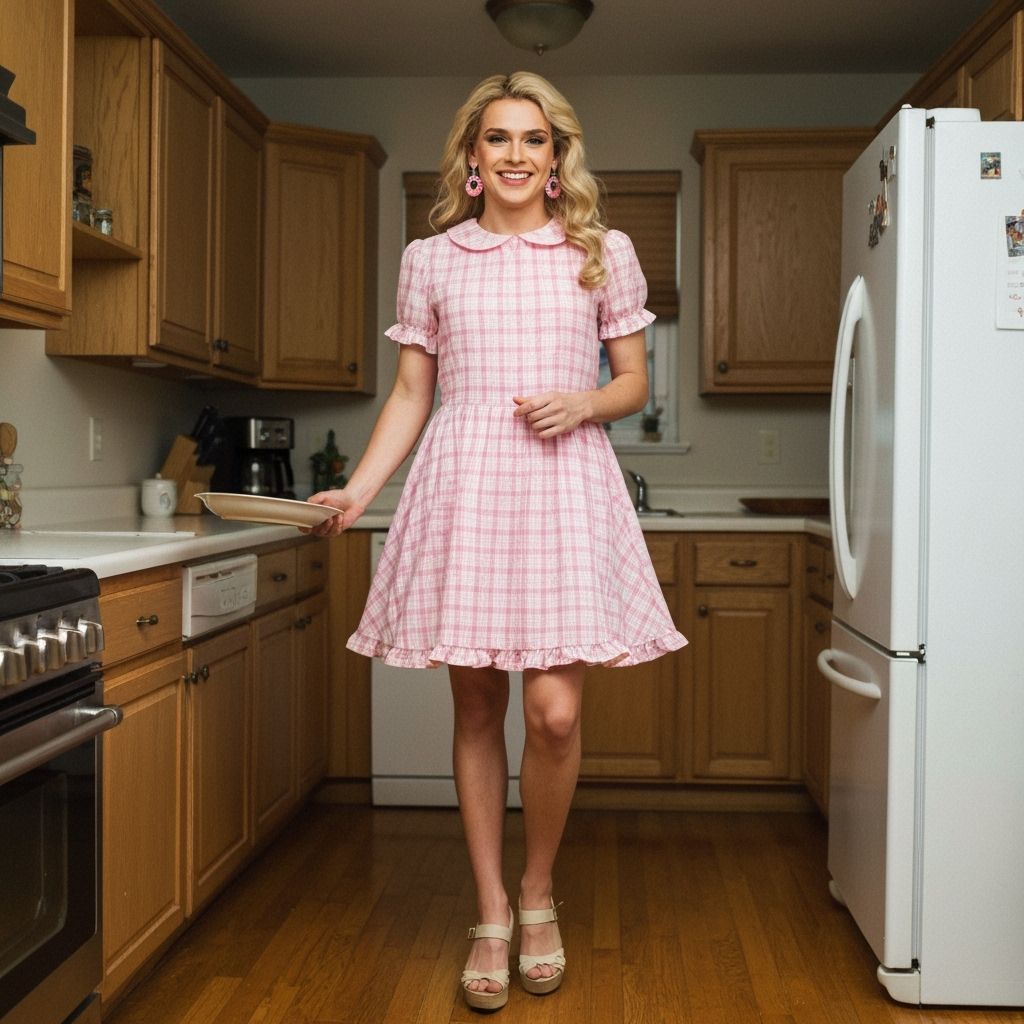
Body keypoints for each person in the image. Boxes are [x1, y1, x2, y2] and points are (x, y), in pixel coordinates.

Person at [307, 71, 687, 1013]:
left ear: (558, 159)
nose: (516, 154)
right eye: (498, 139)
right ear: (472, 160)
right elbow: (411, 393)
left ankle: (537, 891)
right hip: (466, 482)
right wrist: (358, 490)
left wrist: (585, 400)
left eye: (535, 139)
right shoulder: (433, 260)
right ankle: (489, 911)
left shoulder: (603, 253)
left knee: (554, 713)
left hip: (564, 483)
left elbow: (634, 379)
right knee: (477, 710)